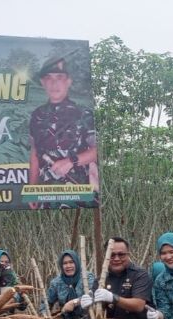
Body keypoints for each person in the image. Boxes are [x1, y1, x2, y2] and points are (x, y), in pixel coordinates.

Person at [28, 56, 99, 207]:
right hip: (46, 196)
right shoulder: (36, 115)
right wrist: (32, 190)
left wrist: (71, 161)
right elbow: (34, 154)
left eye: (60, 77)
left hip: (79, 195)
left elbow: (98, 151)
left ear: (68, 81)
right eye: (48, 77)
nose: (54, 83)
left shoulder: (84, 114)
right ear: (42, 82)